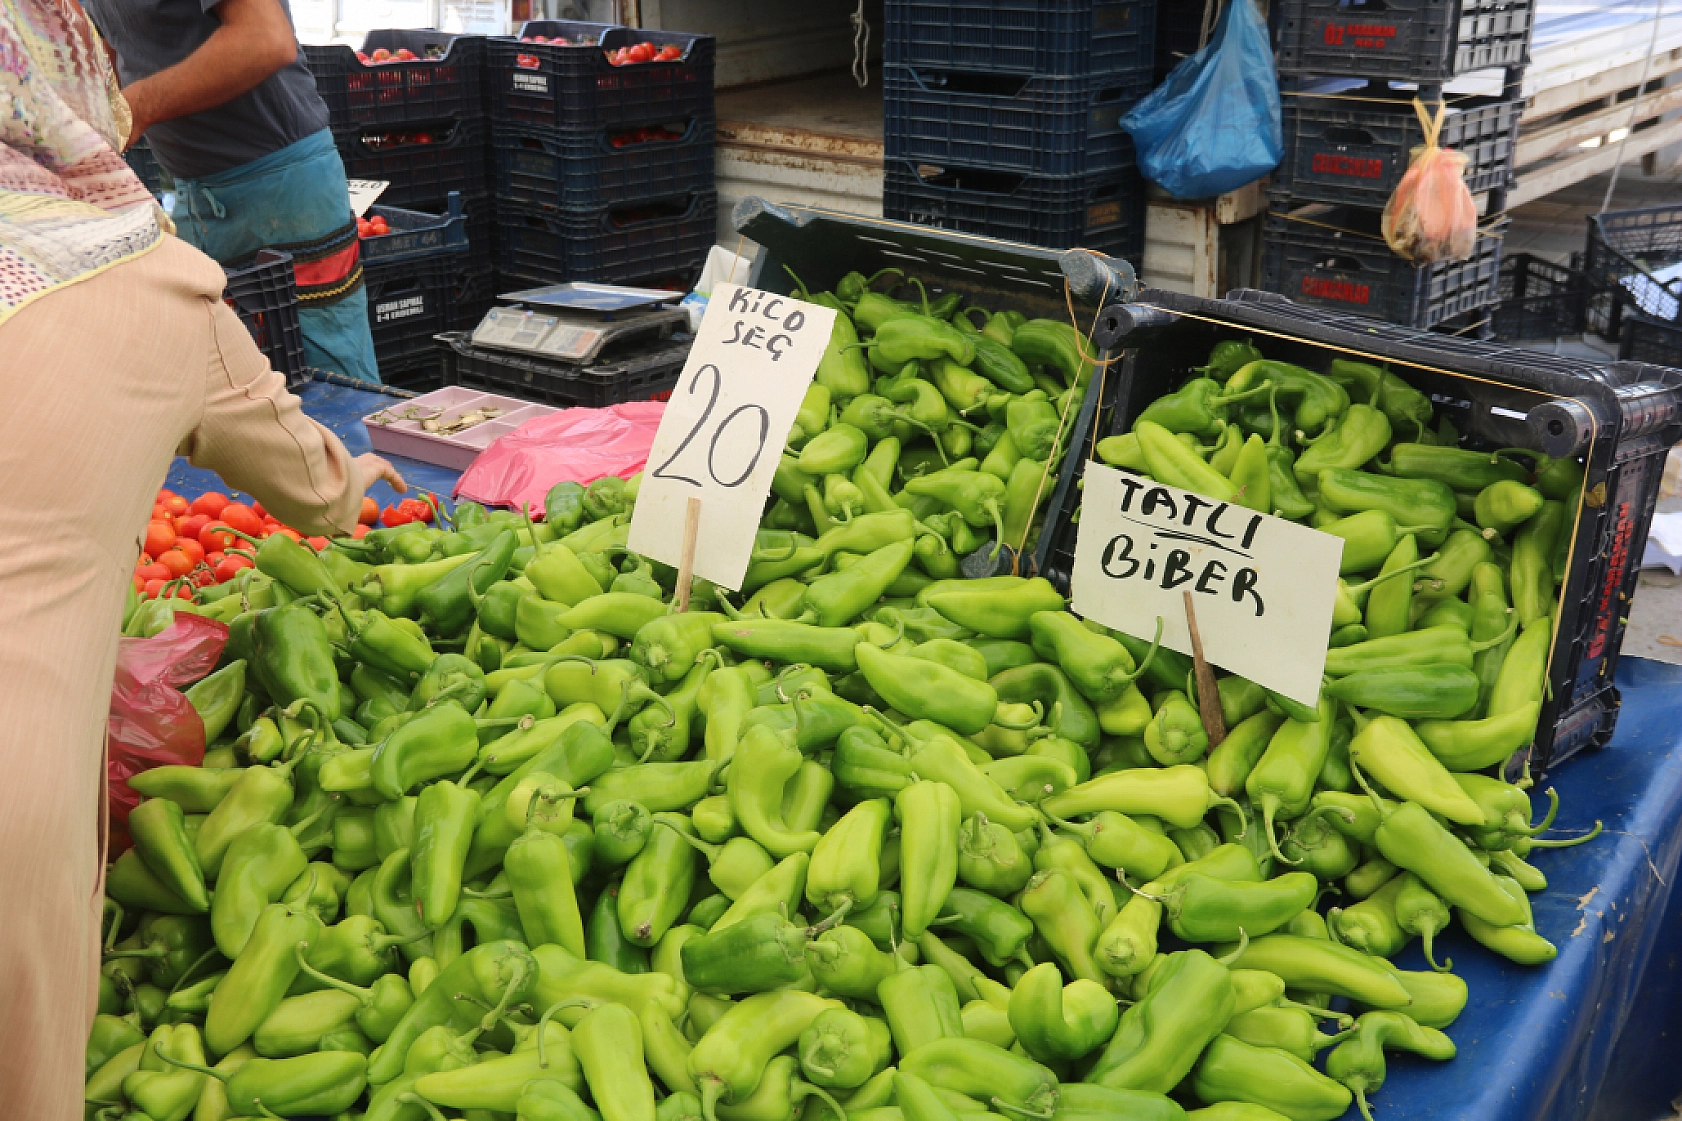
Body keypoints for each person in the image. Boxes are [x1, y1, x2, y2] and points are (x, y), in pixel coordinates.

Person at [0, 2, 404, 1114]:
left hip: (279, 173)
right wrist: (368, 484)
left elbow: (266, 38)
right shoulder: (148, 282)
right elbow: (315, 490)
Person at [83, 0, 382, 382]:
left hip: (280, 187)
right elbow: (113, 47)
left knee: (327, 385)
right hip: (189, 190)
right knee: (224, 384)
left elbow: (264, 38)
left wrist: (135, 108)